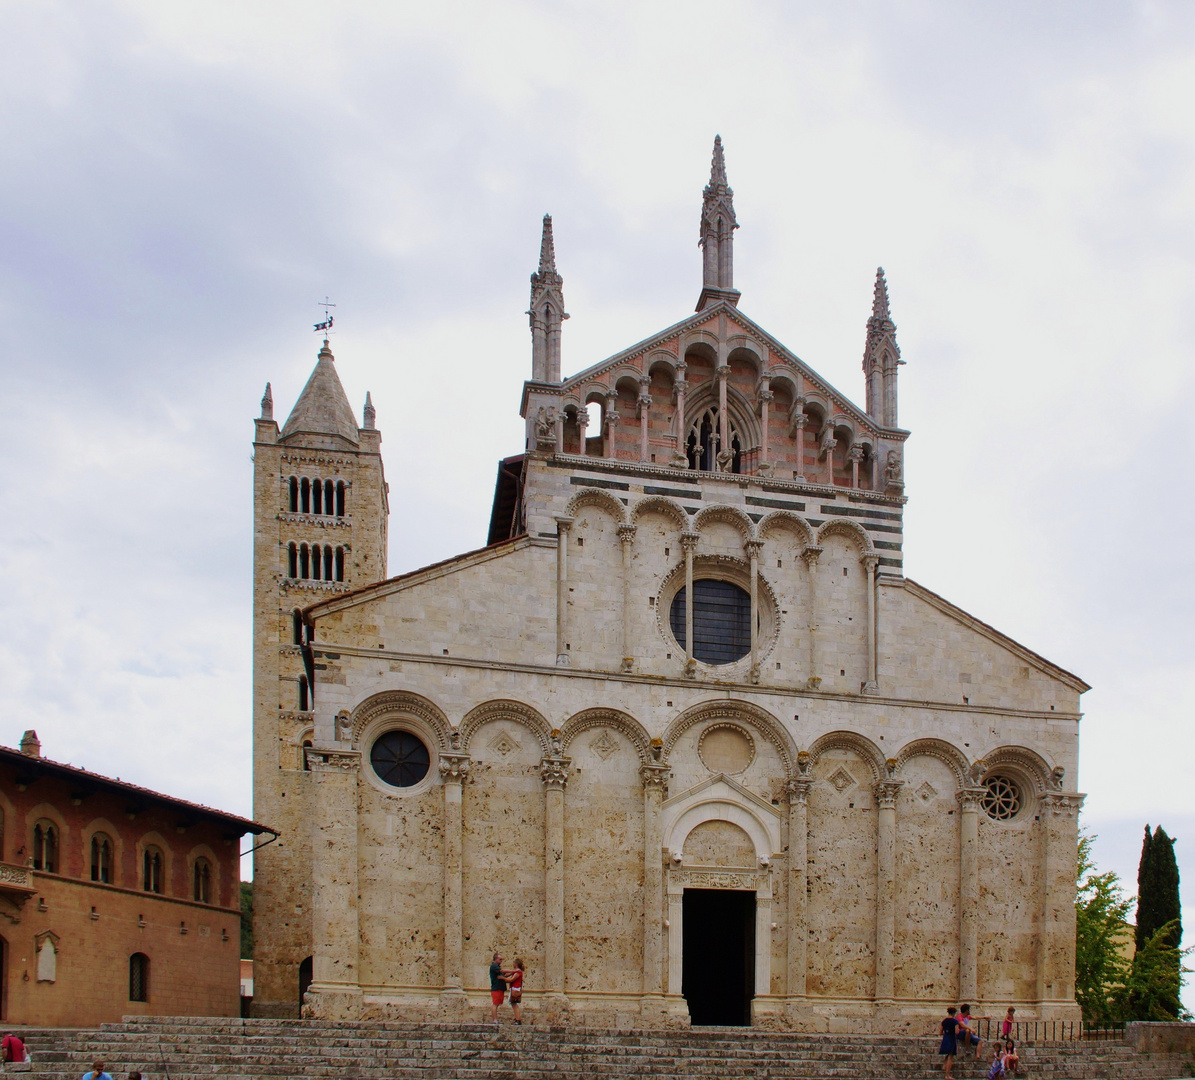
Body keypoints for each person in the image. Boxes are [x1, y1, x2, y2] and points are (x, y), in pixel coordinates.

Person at [939, 1006, 959, 1079]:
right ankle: (947, 1075)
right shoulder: (955, 1021)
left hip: (946, 1037)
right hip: (951, 1038)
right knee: (950, 1056)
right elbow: (957, 1032)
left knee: (948, 1053)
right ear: (954, 1013)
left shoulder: (944, 1021)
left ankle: (944, 1065)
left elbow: (940, 1032)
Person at [502, 958, 525, 1026]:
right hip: (514, 988)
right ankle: (517, 1018)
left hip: (515, 988)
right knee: (513, 1004)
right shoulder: (516, 971)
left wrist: (502, 979)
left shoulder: (518, 971)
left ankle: (518, 1019)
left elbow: (511, 979)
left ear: (516, 964)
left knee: (514, 1004)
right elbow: (508, 974)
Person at [489, 952, 506, 1024]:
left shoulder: (497, 967)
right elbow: (502, 971)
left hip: (499, 988)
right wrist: (514, 971)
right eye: (500, 959)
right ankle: (494, 1020)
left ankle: (495, 1019)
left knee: (497, 1003)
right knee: (495, 1004)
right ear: (496, 959)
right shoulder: (494, 966)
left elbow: (504, 975)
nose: (501, 961)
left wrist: (514, 973)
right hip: (496, 988)